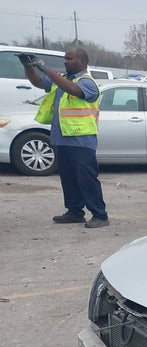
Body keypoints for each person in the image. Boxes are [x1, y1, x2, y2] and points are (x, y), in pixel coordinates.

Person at [19, 48, 109, 228]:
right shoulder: (62, 79)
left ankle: (100, 215)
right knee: (68, 178)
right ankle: (75, 212)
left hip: (81, 139)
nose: (66, 61)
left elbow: (73, 90)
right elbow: (38, 82)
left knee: (86, 178)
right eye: (65, 58)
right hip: (62, 138)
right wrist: (28, 66)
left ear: (82, 62)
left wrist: (46, 68)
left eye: (70, 59)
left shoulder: (87, 82)